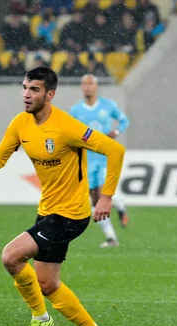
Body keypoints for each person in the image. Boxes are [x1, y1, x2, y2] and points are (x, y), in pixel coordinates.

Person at [0, 67, 125, 326]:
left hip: (70, 214)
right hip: (48, 211)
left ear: (50, 95)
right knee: (46, 283)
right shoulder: (21, 123)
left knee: (11, 257)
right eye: (24, 87)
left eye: (34, 89)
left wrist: (106, 197)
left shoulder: (67, 126)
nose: (26, 94)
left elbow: (114, 150)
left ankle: (40, 318)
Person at [70, 74, 130, 247]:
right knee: (95, 201)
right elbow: (69, 131)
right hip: (86, 160)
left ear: (96, 87)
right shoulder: (75, 111)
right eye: (84, 84)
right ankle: (112, 234)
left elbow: (124, 120)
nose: (87, 87)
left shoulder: (107, 105)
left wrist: (116, 132)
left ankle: (113, 231)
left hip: (104, 158)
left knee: (103, 195)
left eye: (90, 84)